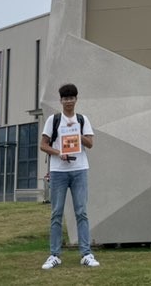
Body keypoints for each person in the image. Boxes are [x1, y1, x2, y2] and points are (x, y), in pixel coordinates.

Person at [39, 83, 100, 269]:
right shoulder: (53, 120)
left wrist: (76, 132)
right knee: (56, 213)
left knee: (81, 212)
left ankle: (86, 253)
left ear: (76, 99)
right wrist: (59, 153)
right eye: (65, 98)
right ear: (61, 100)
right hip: (58, 171)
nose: (68, 101)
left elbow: (90, 143)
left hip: (79, 169)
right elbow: (43, 145)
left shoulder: (82, 119)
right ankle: (54, 255)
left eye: (71, 98)